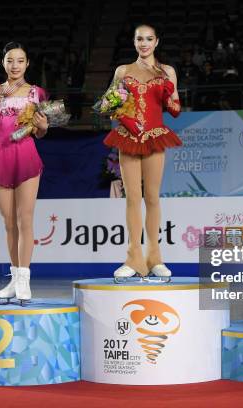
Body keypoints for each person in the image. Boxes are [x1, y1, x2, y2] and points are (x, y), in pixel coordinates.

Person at [103, 24, 181, 282]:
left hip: (154, 137)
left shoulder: (166, 71)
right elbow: (108, 103)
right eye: (139, 39)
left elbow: (175, 109)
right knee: (132, 198)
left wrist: (169, 93)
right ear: (134, 42)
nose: (144, 43)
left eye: (149, 39)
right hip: (128, 138)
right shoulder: (123, 71)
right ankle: (133, 258)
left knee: (152, 198)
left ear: (157, 42)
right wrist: (113, 103)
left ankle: (155, 257)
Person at [0, 41, 49, 305]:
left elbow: (41, 131)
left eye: (20, 60)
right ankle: (14, 277)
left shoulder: (36, 93)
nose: (15, 65)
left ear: (27, 64)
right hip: (1, 156)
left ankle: (25, 280)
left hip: (27, 156)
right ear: (3, 63)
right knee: (9, 223)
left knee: (25, 220)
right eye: (10, 60)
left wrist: (43, 126)